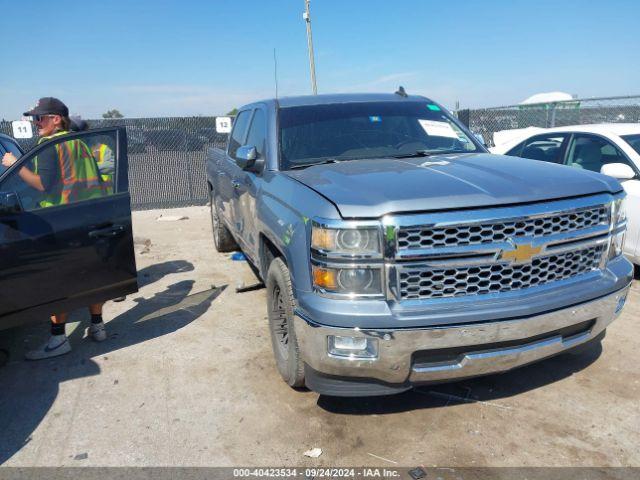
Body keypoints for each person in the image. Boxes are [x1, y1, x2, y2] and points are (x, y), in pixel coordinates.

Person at [1, 97, 109, 360]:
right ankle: (97, 326)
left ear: (56, 119)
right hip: (89, 215)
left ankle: (59, 339)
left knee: (59, 282)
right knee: (91, 274)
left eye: (40, 118)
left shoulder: (50, 145)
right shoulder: (77, 142)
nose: (35, 123)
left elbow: (42, 185)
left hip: (61, 219)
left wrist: (13, 165)